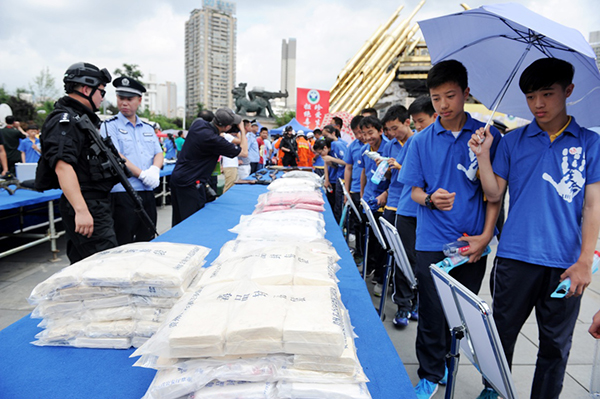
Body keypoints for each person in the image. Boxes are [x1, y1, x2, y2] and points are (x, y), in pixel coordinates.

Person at [470, 58, 600, 399]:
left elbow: (592, 205)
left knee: (555, 347)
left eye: (547, 93)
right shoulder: (512, 142)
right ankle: (493, 389)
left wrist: (586, 260)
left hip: (565, 263)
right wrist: (483, 156)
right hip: (515, 257)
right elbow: (494, 193)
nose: (538, 104)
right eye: (530, 96)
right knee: (501, 335)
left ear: (568, 91)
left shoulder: (589, 143)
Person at [398, 60, 502, 399]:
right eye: (436, 97)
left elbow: (493, 196)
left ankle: (467, 368)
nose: (443, 105)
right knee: (431, 311)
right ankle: (429, 374)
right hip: (431, 240)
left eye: (450, 96)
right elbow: (413, 190)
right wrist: (430, 199)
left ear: (466, 93)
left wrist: (485, 238)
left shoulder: (487, 136)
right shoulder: (421, 141)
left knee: (465, 315)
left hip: (470, 243)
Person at [35, 62, 116, 264]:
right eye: (101, 92)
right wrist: (81, 210)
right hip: (86, 203)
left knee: (83, 265)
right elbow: (63, 165)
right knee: (103, 265)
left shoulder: (80, 119)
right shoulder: (66, 120)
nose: (102, 98)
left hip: (93, 202)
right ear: (86, 89)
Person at [102, 76, 164, 245]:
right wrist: (142, 174)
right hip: (123, 193)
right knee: (123, 242)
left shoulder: (148, 128)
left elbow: (158, 153)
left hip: (147, 193)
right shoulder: (109, 126)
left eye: (129, 99)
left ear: (139, 100)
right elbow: (116, 155)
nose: (124, 103)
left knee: (147, 240)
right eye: (121, 98)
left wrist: (155, 170)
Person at [170, 108, 247, 226]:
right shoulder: (213, 140)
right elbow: (244, 153)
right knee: (190, 223)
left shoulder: (198, 124)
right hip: (190, 183)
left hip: (179, 178)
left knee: (179, 221)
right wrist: (242, 129)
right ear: (227, 127)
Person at [378, 105, 417, 327]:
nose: (392, 133)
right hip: (398, 205)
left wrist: (399, 166)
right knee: (402, 257)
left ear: (407, 122)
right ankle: (403, 304)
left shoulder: (419, 141)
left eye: (395, 128)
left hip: (417, 205)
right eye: (389, 129)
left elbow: (419, 172)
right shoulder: (392, 145)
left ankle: (415, 301)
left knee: (416, 258)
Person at [357, 116, 390, 295]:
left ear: (380, 131)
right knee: (367, 236)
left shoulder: (389, 148)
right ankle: (369, 268)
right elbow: (364, 173)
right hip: (368, 200)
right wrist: (362, 195)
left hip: (383, 202)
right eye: (364, 133)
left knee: (382, 243)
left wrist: (386, 194)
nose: (368, 137)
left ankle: (380, 278)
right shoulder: (365, 149)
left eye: (371, 132)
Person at [343, 115, 366, 262]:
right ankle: (358, 253)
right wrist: (347, 191)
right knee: (356, 224)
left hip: (369, 192)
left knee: (366, 225)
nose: (359, 136)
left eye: (360, 132)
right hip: (355, 190)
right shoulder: (353, 146)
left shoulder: (374, 145)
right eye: (355, 133)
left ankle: (368, 255)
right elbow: (348, 168)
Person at [321, 124, 347, 222]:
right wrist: (327, 179)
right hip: (337, 177)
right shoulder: (330, 144)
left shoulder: (338, 144)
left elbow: (346, 163)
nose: (325, 138)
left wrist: (331, 159)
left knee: (339, 205)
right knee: (336, 205)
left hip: (342, 178)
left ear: (333, 133)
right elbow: (328, 164)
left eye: (326, 136)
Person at [221, 127, 241, 193]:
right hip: (229, 165)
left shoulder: (225, 136)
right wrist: (240, 133)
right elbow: (240, 141)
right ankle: (223, 201)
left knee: (231, 185)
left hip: (231, 164)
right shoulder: (226, 136)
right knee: (229, 186)